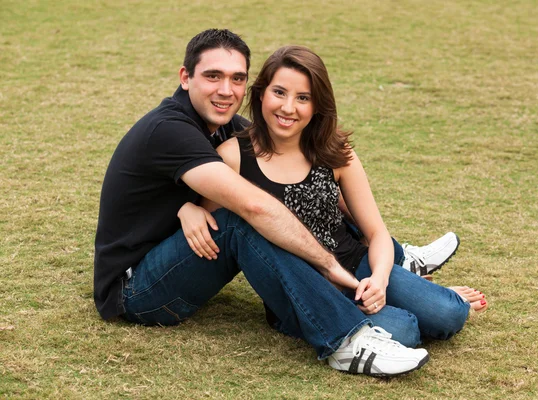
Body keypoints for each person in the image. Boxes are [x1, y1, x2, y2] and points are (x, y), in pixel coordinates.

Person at [94, 29, 430, 377]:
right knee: (244, 220)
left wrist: (380, 243)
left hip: (181, 253)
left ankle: (401, 256)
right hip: (136, 290)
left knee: (295, 199)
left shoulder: (224, 122)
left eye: (236, 78)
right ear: (185, 77)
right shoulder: (168, 128)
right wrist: (330, 266)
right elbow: (253, 206)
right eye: (213, 76)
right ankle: (344, 342)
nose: (226, 90)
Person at [182, 46, 487, 365]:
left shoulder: (334, 151)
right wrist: (186, 209)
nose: (288, 107)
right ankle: (413, 301)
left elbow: (377, 233)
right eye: (279, 92)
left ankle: (419, 295)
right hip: (303, 290)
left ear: (317, 106)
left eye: (303, 97)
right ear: (260, 95)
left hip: (359, 269)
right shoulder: (233, 157)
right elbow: (223, 231)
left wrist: (380, 281)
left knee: (450, 313)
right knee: (406, 330)